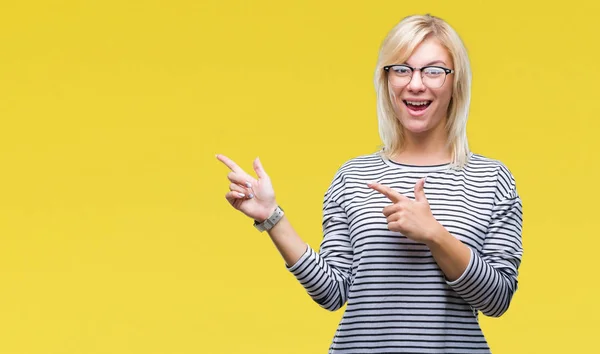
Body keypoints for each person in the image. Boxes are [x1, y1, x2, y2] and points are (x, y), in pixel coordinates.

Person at [216, 14, 523, 354]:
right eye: (402, 69)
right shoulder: (353, 176)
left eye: (433, 71)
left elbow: (497, 299)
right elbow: (332, 292)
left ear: (456, 83)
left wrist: (434, 234)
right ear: (386, 79)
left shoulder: (491, 179)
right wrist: (271, 216)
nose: (416, 84)